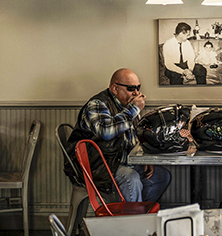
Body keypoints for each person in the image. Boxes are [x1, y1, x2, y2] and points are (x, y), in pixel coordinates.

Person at [67, 68, 171, 203]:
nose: (136, 93)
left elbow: (134, 138)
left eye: (138, 87)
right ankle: (132, 220)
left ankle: (136, 213)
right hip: (98, 165)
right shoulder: (97, 104)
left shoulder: (126, 106)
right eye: (131, 88)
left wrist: (144, 159)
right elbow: (106, 132)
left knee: (161, 176)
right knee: (131, 178)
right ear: (115, 89)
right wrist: (133, 109)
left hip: (117, 161)